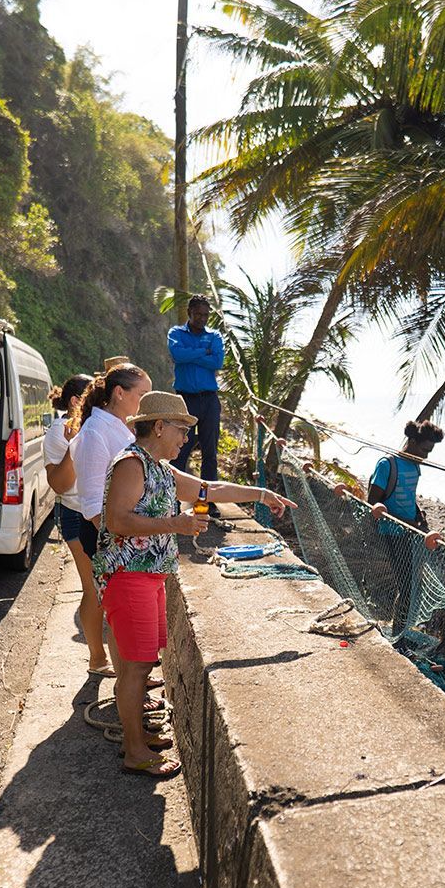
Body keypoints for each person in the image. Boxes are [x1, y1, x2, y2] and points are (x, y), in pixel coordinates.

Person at [94, 391, 296, 778]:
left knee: (141, 664)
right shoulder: (131, 465)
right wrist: (176, 524)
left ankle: (137, 738)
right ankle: (134, 751)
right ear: (158, 426)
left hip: (149, 576)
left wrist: (260, 494)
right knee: (135, 668)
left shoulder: (160, 469)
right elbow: (118, 521)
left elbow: (209, 488)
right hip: (130, 576)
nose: (186, 438)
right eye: (181, 429)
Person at [71, 362, 152, 677]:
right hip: (107, 535)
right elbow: (92, 506)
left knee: (118, 609)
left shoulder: (120, 427)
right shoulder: (95, 432)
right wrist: (123, 544)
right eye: (142, 395)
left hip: (120, 533)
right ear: (120, 393)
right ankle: (126, 683)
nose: (145, 403)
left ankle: (131, 677)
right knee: (115, 609)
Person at [43, 373, 110, 675]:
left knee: (105, 587)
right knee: (94, 587)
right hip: (75, 513)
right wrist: (74, 445)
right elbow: (60, 484)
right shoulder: (59, 432)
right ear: (75, 401)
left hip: (102, 513)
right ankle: (97, 659)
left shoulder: (99, 427)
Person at [367, 419, 444, 646]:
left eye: (429, 452)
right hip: (392, 531)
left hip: (410, 530)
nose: (426, 456)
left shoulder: (414, 465)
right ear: (411, 441)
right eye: (423, 450)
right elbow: (372, 503)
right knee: (408, 585)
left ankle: (399, 629)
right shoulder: (387, 465)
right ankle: (398, 635)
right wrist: (409, 522)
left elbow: (408, 494)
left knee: (410, 585)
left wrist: (418, 515)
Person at [167, 294, 224, 515]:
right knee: (179, 449)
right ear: (190, 312)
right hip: (185, 399)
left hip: (209, 400)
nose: (202, 319)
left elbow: (217, 361)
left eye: (206, 315)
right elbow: (177, 354)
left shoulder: (215, 335)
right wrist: (203, 352)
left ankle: (209, 501)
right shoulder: (176, 333)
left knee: (210, 451)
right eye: (198, 314)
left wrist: (191, 355)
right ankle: (173, 500)